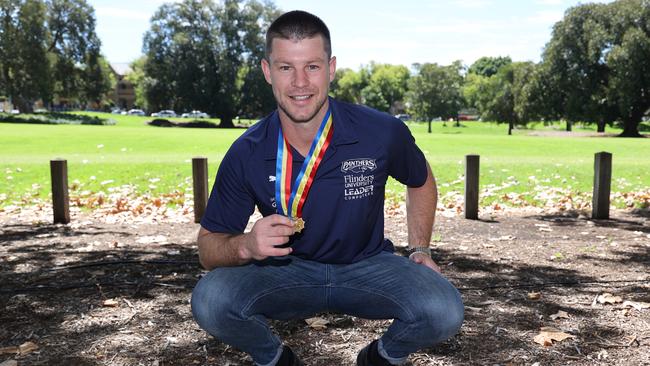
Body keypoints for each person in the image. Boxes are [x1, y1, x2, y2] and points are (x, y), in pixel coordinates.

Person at [191, 10, 464, 366]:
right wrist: (245, 245)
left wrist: (419, 248)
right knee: (209, 300)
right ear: (267, 71)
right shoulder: (248, 151)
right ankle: (274, 358)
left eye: (313, 67)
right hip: (285, 272)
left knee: (444, 309)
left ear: (331, 69)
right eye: (286, 67)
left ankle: (381, 357)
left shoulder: (380, 132)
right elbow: (207, 248)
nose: (300, 83)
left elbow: (421, 179)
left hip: (369, 266)